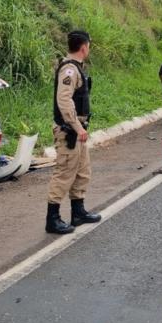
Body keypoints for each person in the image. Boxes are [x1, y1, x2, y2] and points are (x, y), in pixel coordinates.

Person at [45, 30, 102, 234]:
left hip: (77, 132)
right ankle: (52, 219)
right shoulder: (69, 70)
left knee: (82, 171)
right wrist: (77, 127)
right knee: (64, 174)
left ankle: (78, 213)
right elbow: (64, 100)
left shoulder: (76, 68)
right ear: (84, 47)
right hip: (69, 131)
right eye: (89, 46)